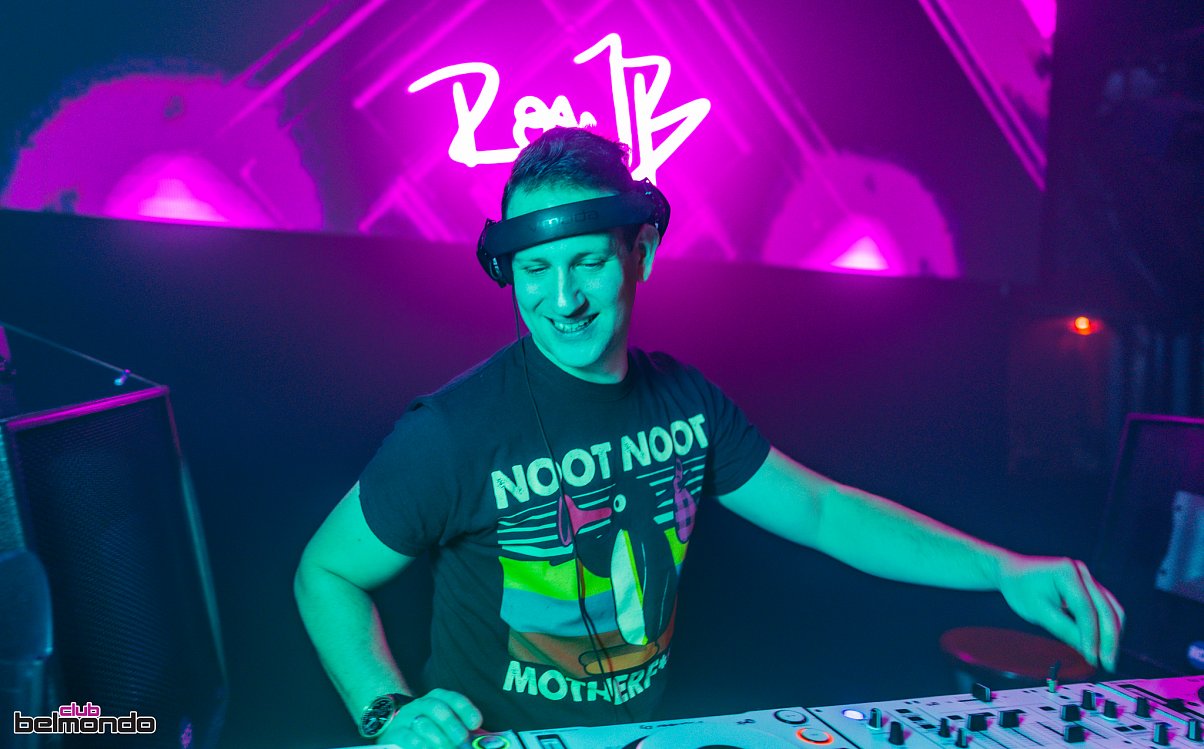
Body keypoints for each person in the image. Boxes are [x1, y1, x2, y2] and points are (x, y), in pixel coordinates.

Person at [293, 127, 1124, 749]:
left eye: (588, 262)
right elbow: (325, 571)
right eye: (536, 269)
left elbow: (824, 511)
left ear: (641, 253)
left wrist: (1003, 569)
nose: (562, 298)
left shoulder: (685, 402)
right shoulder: (452, 431)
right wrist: (388, 709)